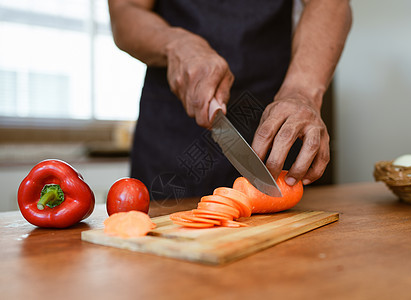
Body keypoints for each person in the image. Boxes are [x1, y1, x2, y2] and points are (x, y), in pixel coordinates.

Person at [108, 0, 352, 199]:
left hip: (272, 122)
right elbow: (126, 9)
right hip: (172, 126)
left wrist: (302, 91)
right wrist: (177, 45)